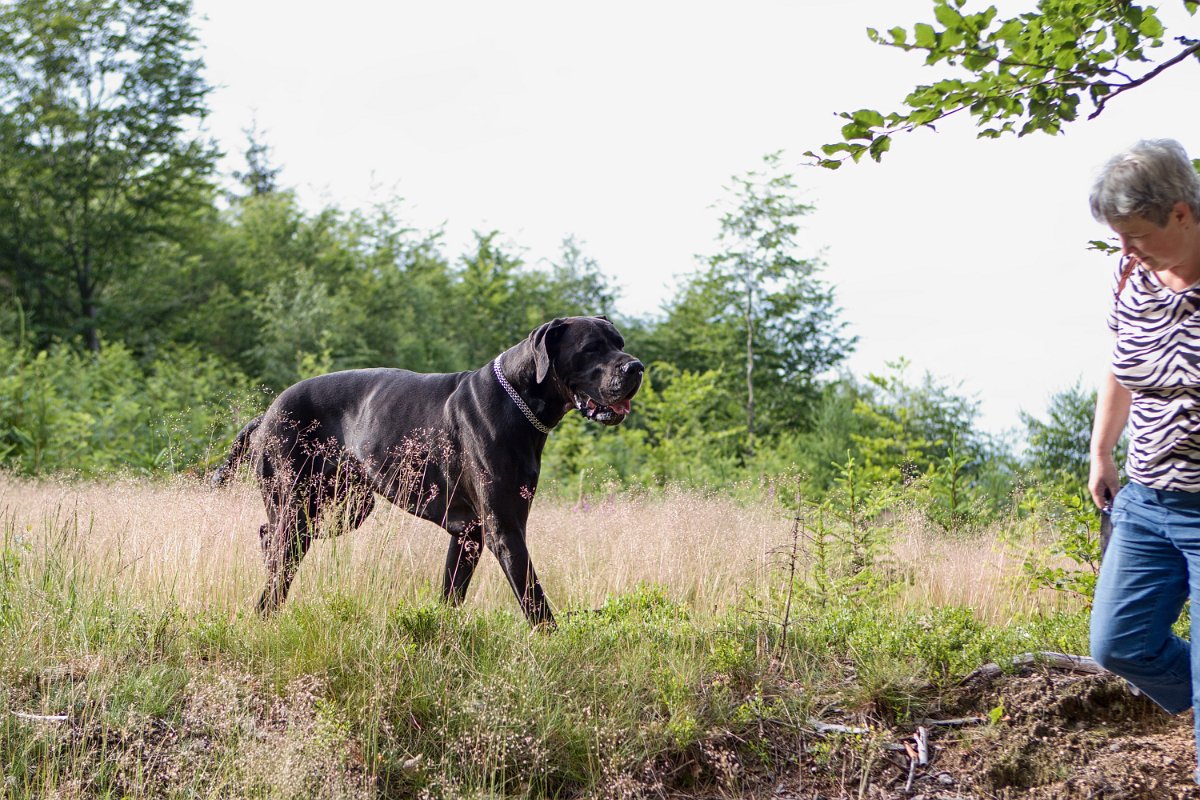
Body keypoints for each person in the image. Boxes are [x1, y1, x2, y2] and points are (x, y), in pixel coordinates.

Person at [1087, 137, 1200, 782]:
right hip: (1146, 498)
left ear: (1181, 213)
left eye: (1135, 234)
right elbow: (1120, 363)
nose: (1125, 250)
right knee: (1119, 644)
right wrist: (1102, 449)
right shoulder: (1132, 274)